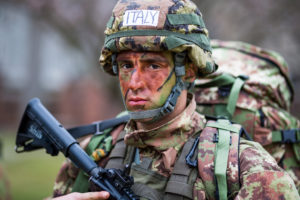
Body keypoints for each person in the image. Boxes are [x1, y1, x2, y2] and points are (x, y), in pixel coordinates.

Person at [52, 0, 299, 199]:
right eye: (126, 65)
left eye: (153, 66)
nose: (135, 83)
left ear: (188, 71)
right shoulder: (93, 153)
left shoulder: (245, 169)